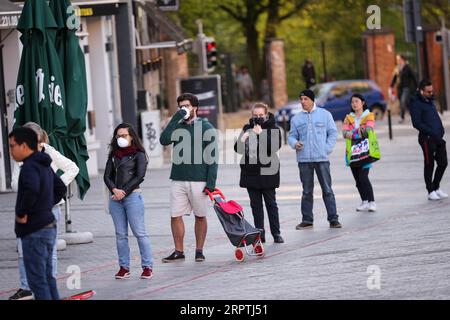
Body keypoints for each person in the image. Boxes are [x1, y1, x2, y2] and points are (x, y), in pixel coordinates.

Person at [9, 122, 79, 300]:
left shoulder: (31, 166)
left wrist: (22, 212)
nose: (10, 150)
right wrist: (47, 198)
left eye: (12, 146)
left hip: (36, 227)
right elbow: (58, 188)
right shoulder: (43, 163)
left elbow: (33, 189)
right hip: (47, 223)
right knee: (47, 279)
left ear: (25, 145)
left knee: (39, 280)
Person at [160, 93, 218, 263]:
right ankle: (179, 251)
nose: (183, 109)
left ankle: (199, 250)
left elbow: (213, 158)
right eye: (180, 107)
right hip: (178, 178)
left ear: (195, 107)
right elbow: (164, 140)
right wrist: (174, 119)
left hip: (199, 180)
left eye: (186, 106)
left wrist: (211, 184)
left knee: (200, 216)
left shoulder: (207, 128)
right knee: (175, 215)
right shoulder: (177, 126)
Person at [104, 123, 154, 280]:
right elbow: (107, 176)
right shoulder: (113, 155)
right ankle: (124, 267)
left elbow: (140, 177)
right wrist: (114, 190)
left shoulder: (139, 154)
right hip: (115, 198)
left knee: (140, 233)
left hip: (132, 197)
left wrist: (124, 191)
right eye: (118, 136)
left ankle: (147, 267)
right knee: (120, 235)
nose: (120, 138)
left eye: (124, 135)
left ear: (131, 136)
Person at [288, 89, 342, 229]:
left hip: (322, 159)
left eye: (305, 99)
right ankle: (307, 220)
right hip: (304, 160)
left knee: (327, 189)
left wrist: (326, 149)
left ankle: (333, 219)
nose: (302, 102)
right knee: (306, 191)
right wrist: (295, 143)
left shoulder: (325, 115)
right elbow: (291, 136)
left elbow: (333, 133)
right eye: (301, 99)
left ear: (312, 100)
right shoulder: (296, 119)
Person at [234, 102, 283, 244]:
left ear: (266, 115)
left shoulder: (274, 129)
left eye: (261, 115)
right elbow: (238, 149)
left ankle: (276, 233)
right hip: (251, 173)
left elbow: (274, 147)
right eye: (255, 115)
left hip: (269, 172)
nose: (258, 117)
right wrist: (242, 139)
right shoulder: (247, 128)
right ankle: (260, 234)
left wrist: (260, 134)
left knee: (271, 205)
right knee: (256, 206)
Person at [410, 79, 448, 201]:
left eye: (432, 91)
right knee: (429, 163)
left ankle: (436, 187)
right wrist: (431, 132)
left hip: (438, 137)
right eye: (428, 91)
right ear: (421, 91)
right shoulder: (415, 103)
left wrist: (441, 130)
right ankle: (430, 191)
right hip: (426, 139)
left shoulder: (429, 100)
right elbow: (416, 123)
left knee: (443, 163)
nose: (431, 93)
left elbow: (435, 117)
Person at [343, 94, 377, 212]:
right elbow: (344, 133)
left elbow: (368, 130)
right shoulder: (348, 118)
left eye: (356, 101)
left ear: (362, 103)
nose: (354, 104)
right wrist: (358, 133)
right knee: (357, 180)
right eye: (352, 102)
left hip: (365, 151)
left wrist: (353, 134)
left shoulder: (369, 116)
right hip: (352, 152)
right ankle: (364, 201)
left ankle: (372, 201)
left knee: (364, 177)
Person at [389, 54, 417, 123]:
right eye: (398, 60)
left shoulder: (408, 67)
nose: (399, 61)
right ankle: (413, 114)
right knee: (406, 103)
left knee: (402, 101)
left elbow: (413, 77)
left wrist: (417, 86)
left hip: (406, 88)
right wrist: (391, 86)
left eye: (400, 60)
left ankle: (402, 117)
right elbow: (395, 78)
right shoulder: (398, 68)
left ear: (403, 60)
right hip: (400, 88)